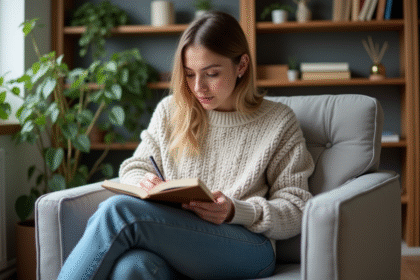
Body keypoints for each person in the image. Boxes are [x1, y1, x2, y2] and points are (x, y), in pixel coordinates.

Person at [57, 11, 315, 280]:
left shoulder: (278, 121)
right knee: (132, 267)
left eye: (211, 73)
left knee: (117, 211)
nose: (198, 87)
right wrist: (144, 181)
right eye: (190, 75)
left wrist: (235, 210)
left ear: (241, 65)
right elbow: (135, 165)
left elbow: (297, 207)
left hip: (249, 245)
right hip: (180, 239)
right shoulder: (171, 110)